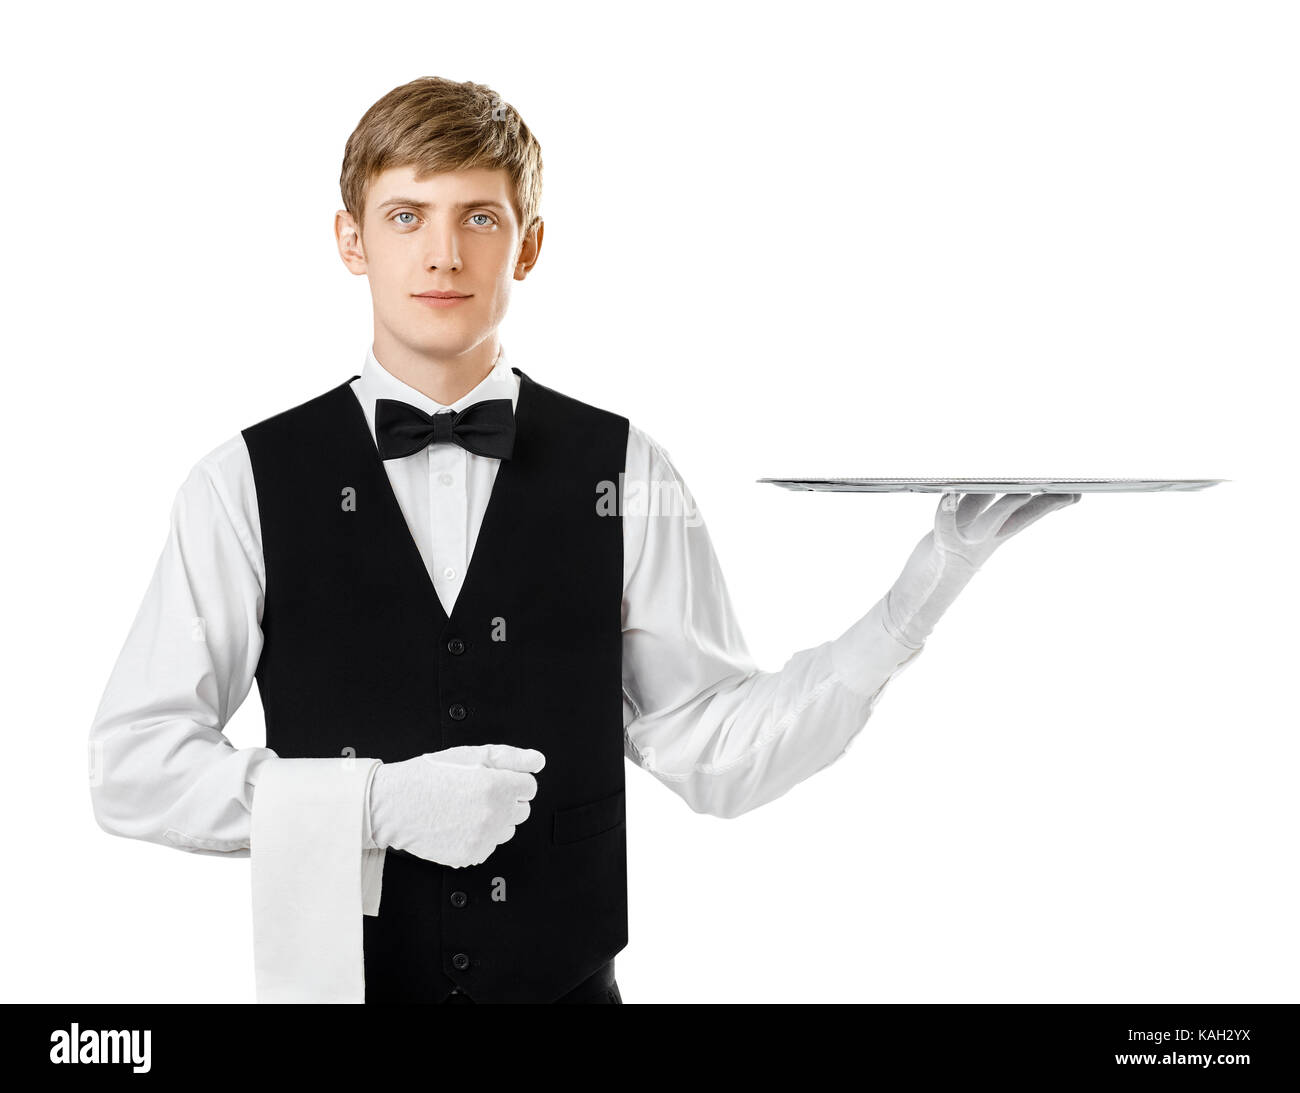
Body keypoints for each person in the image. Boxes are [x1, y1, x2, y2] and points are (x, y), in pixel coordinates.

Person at [87, 76, 1080, 1005]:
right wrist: (373, 806)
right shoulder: (239, 482)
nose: (443, 254)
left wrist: (915, 603)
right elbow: (133, 767)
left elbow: (712, 750)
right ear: (351, 239)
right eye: (406, 216)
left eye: (480, 216)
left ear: (528, 245)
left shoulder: (630, 469)